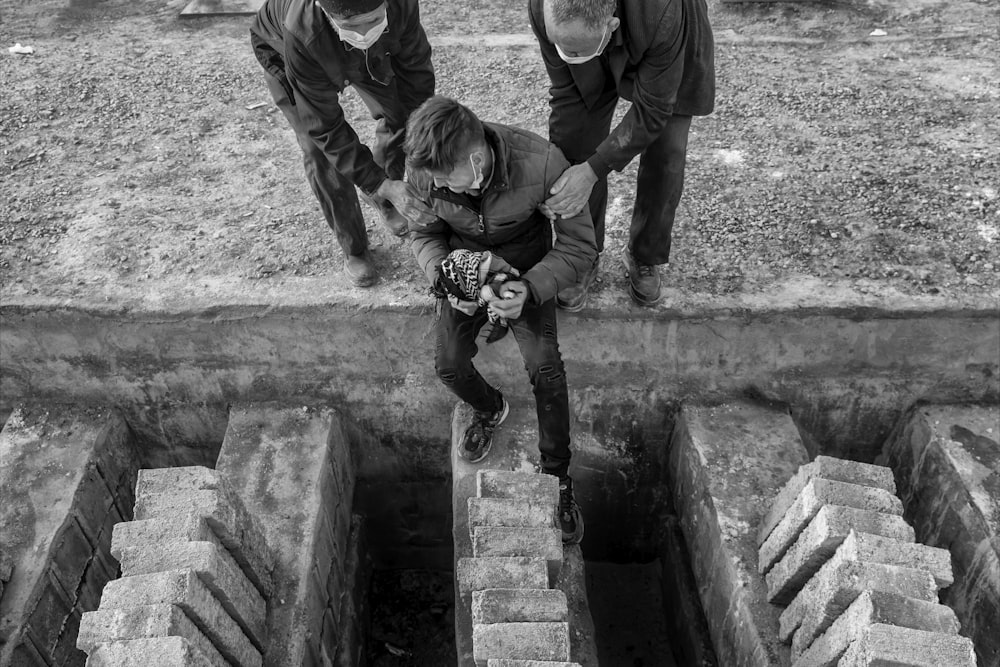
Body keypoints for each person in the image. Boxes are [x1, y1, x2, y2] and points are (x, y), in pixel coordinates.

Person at [404, 95, 597, 544]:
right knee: (449, 365)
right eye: (430, 178)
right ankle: (491, 408)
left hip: (527, 271)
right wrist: (452, 280)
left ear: (475, 158)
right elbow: (424, 234)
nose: (436, 185)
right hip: (467, 268)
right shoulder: (424, 170)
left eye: (445, 178)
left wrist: (528, 289)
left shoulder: (543, 163)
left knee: (546, 368)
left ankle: (557, 478)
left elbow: (579, 247)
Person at [529, 0, 715, 308]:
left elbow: (654, 109)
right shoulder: (543, 8)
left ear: (611, 26)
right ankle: (583, 251)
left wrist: (593, 169)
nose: (566, 56)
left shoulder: (663, 12)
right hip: (587, 31)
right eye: (560, 45)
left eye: (573, 51)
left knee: (667, 153)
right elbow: (567, 94)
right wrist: (568, 169)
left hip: (667, 34)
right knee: (572, 137)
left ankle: (645, 255)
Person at [250, 0, 437, 286]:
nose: (363, 33)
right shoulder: (302, 29)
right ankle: (354, 248)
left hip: (360, 34)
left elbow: (416, 77)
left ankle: (384, 196)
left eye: (373, 19)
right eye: (352, 26)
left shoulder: (402, 5)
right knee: (318, 151)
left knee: (405, 113)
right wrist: (378, 180)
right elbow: (324, 127)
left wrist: (419, 144)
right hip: (288, 46)